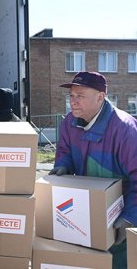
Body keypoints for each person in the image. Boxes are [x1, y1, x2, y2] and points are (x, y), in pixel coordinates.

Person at [49, 71, 137, 269]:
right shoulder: (69, 123)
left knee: (118, 261)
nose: (73, 101)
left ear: (100, 97)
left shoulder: (125, 130)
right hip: (85, 209)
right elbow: (65, 150)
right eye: (71, 96)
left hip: (119, 213)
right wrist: (63, 166)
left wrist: (130, 217)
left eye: (80, 96)